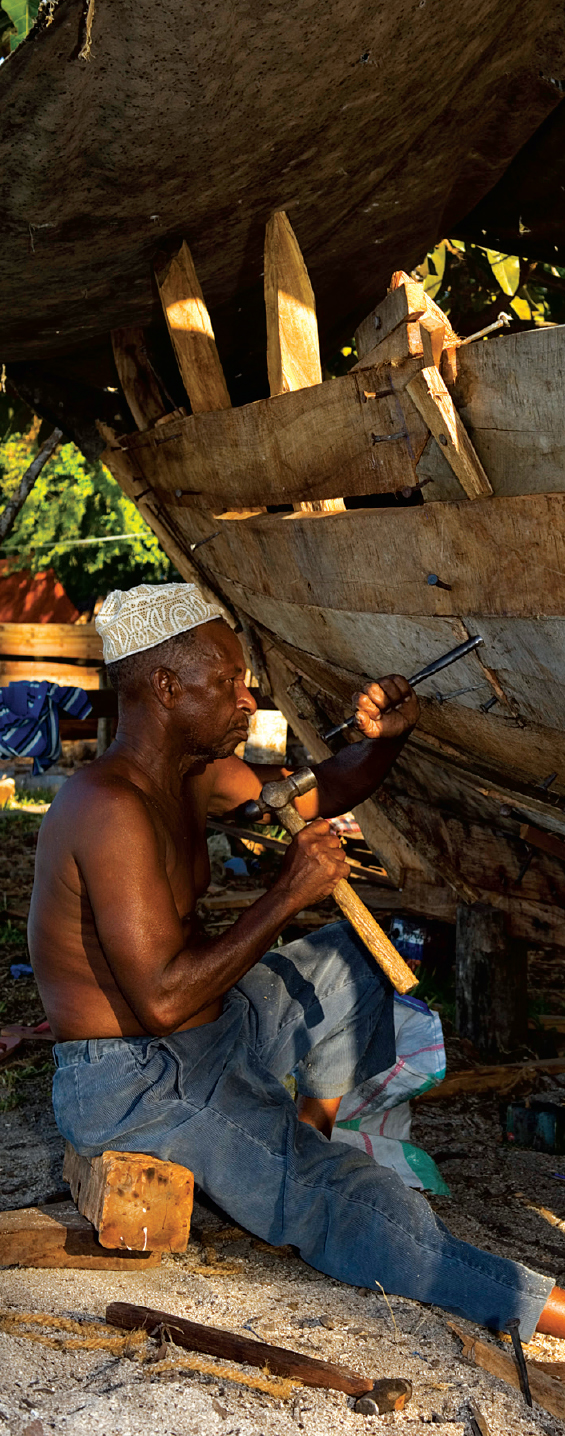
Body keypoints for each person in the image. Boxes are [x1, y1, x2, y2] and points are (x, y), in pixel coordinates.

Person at [28, 581, 565, 1341]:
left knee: (358, 960)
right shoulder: (106, 806)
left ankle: (295, 1139)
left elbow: (314, 793)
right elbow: (160, 1003)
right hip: (138, 1081)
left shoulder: (195, 774)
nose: (247, 703)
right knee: (348, 1198)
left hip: (215, 1036)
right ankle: (531, 1304)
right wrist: (284, 895)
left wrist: (386, 740)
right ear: (165, 687)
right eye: (228, 685)